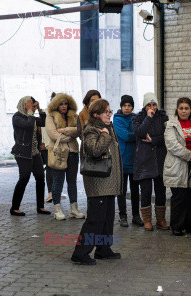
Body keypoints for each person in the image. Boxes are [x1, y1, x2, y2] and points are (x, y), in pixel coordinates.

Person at [71, 99, 122, 265]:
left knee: (107, 218)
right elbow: (94, 150)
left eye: (110, 111)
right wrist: (105, 136)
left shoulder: (108, 127)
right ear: (95, 114)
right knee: (95, 220)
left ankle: (103, 249)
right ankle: (80, 253)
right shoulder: (91, 130)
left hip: (108, 181)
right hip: (97, 181)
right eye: (106, 111)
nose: (109, 114)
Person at [163, 97, 191, 236]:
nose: (184, 111)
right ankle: (177, 225)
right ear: (177, 109)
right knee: (179, 197)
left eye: (186, 108)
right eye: (181, 108)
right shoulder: (171, 124)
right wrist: (190, 155)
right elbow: (172, 145)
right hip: (177, 165)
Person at [132, 93, 169, 231]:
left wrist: (153, 140)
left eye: (154, 105)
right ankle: (147, 220)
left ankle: (161, 219)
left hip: (159, 159)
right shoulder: (138, 118)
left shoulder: (163, 117)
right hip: (144, 160)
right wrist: (148, 117)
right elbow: (140, 132)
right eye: (149, 105)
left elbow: (166, 136)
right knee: (146, 191)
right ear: (145, 106)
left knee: (161, 191)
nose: (152, 107)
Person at [45, 93, 84, 220]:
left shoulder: (74, 116)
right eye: (61, 104)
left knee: (72, 181)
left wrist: (64, 130)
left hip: (73, 152)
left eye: (65, 103)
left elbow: (78, 130)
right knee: (58, 181)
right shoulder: (50, 117)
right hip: (59, 152)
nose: (63, 106)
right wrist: (69, 134)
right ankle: (57, 209)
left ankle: (74, 209)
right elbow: (52, 134)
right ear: (56, 105)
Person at [10, 96, 50, 216]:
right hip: (22, 153)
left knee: (40, 177)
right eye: (29, 103)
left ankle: (40, 207)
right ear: (23, 104)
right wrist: (30, 112)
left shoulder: (31, 116)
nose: (31, 105)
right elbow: (28, 125)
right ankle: (14, 208)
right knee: (24, 178)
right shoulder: (17, 117)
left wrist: (39, 109)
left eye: (32, 104)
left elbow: (43, 122)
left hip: (35, 152)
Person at [113, 95, 142, 227]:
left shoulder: (136, 118)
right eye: (124, 105)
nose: (127, 108)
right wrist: (137, 134)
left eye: (129, 105)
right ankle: (123, 216)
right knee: (122, 190)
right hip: (122, 160)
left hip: (135, 160)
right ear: (121, 106)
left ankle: (136, 216)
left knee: (135, 190)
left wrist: (136, 134)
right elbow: (124, 135)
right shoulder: (117, 120)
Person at [43, 92, 56, 203]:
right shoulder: (47, 113)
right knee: (50, 168)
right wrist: (45, 144)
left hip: (58, 145)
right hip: (49, 145)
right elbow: (44, 129)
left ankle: (55, 191)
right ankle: (51, 192)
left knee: (57, 167)